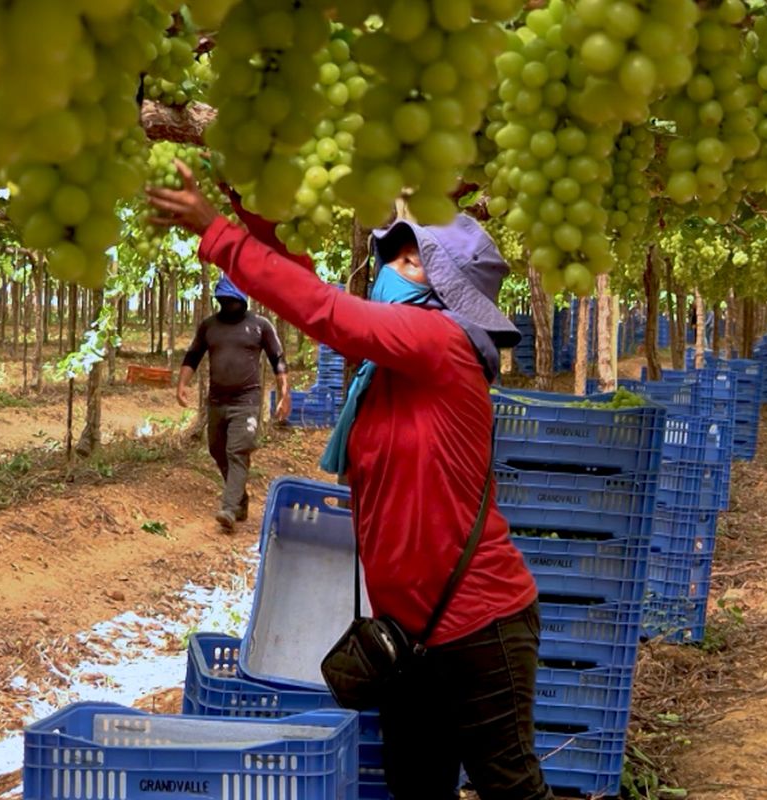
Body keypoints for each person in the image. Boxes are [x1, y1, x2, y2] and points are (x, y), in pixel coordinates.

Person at [149, 164, 554, 800]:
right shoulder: (390, 366)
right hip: (411, 633)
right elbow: (308, 286)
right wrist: (254, 203)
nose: (390, 267)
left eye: (409, 260)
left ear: (445, 288)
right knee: (416, 790)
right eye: (394, 255)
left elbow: (326, 311)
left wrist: (218, 233)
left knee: (511, 788)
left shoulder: (441, 342)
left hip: (480, 625)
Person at [178, 275, 291, 532]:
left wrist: (285, 393)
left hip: (246, 402)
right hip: (216, 401)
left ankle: (229, 508)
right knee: (217, 449)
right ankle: (240, 499)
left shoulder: (260, 325)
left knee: (237, 451)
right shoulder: (209, 326)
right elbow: (193, 355)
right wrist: (182, 384)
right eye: (224, 300)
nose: (228, 305)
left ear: (242, 300)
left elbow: (278, 359)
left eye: (232, 300)